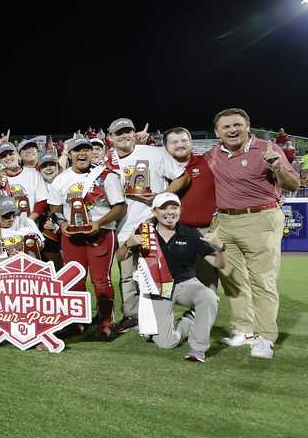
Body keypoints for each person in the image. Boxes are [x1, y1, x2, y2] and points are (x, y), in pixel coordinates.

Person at [204, 108, 297, 359]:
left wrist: (278, 168)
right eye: (226, 127)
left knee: (262, 280)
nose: (232, 130)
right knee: (231, 278)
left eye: (237, 125)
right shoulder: (212, 155)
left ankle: (265, 337)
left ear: (248, 127)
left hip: (261, 218)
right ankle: (244, 329)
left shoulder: (267, 148)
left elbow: (294, 184)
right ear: (217, 132)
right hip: (225, 220)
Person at [106, 117, 189, 333]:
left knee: (158, 272)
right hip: (122, 227)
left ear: (134, 133)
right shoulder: (107, 161)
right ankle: (131, 315)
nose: (124, 136)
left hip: (152, 224)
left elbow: (182, 177)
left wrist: (162, 197)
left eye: (128, 131)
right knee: (125, 276)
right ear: (110, 138)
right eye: (119, 133)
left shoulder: (154, 153)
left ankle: (160, 315)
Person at [122, 193, 226, 362]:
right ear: (154, 212)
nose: (170, 212)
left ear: (180, 210)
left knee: (209, 297)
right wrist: (128, 243)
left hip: (186, 285)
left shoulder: (190, 233)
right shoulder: (144, 232)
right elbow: (120, 257)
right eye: (164, 208)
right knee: (166, 343)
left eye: (174, 207)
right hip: (157, 288)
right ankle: (189, 320)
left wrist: (220, 248)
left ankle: (198, 349)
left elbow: (219, 264)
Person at [47, 137, 127, 340]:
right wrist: (62, 223)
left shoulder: (105, 176)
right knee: (74, 279)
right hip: (73, 236)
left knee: (101, 280)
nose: (81, 154)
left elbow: (119, 206)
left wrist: (99, 224)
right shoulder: (61, 179)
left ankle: (105, 322)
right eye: (76, 150)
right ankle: (77, 322)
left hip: (100, 233)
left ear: (93, 153)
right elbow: (55, 208)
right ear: (70, 154)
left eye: (86, 150)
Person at [163, 127, 218, 285]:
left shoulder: (207, 162)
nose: (180, 145)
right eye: (174, 142)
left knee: (207, 279)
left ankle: (201, 310)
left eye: (184, 141)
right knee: (167, 279)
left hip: (203, 231)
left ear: (191, 143)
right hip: (170, 233)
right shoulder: (158, 167)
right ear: (165, 146)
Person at [0, 142, 48, 221]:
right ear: (0, 161)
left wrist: (29, 221)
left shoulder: (34, 174)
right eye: (3, 156)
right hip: (6, 226)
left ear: (18, 155)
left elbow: (42, 201)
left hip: (29, 223)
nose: (8, 158)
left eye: (11, 154)